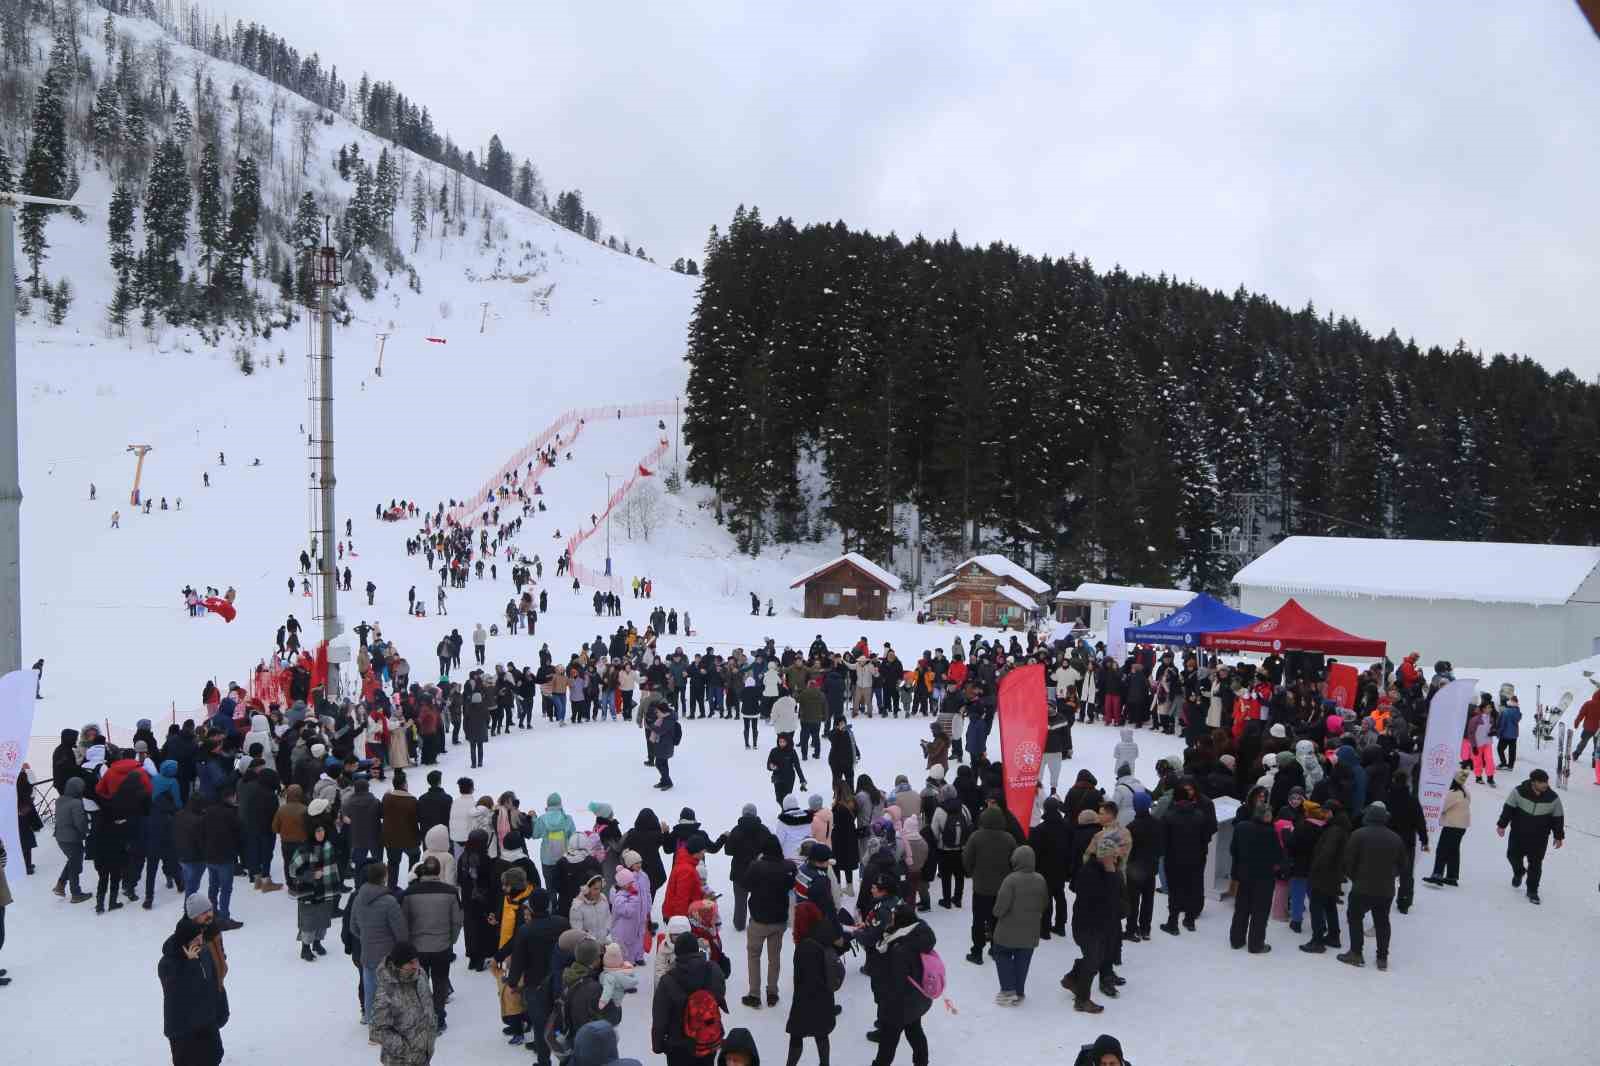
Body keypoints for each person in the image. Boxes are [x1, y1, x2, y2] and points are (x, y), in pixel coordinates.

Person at [1338, 801, 1405, 970]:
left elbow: (1348, 861)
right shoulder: (1395, 838)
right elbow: (1403, 865)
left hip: (1362, 887)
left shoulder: (1358, 834)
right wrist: (1390, 875)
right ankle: (1382, 958)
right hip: (1386, 890)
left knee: (1354, 917)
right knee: (1382, 922)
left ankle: (1355, 953)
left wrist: (1355, 877)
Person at [868, 903, 936, 1066]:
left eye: (893, 917)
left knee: (888, 1042)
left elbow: (893, 982)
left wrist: (884, 1003)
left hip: (899, 1004)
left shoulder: (900, 948)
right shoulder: (917, 935)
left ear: (901, 922)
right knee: (914, 1030)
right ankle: (922, 1062)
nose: (890, 919)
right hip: (916, 998)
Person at [159, 916, 230, 1066]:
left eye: (200, 938)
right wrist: (191, 964)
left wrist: (220, 1006)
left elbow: (212, 982)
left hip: (205, 1022)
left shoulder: (202, 952)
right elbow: (178, 993)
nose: (200, 942)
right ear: (185, 941)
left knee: (215, 1056)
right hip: (183, 1029)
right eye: (196, 939)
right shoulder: (168, 964)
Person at [402, 857, 462, 1032]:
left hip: (417, 947)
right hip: (442, 946)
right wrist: (451, 939)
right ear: (438, 872)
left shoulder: (410, 893)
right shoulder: (450, 892)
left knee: (419, 983)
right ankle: (439, 1017)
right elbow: (457, 921)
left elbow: (404, 920)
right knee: (440, 982)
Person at [652, 931, 728, 1066]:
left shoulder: (667, 981)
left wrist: (658, 1045)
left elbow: (660, 1018)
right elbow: (719, 995)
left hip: (678, 1046)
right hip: (707, 1040)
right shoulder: (713, 970)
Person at [350, 860, 410, 1028]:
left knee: (370, 990)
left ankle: (373, 1021)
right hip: (388, 955)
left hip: (368, 953)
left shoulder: (358, 899)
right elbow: (401, 932)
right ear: (384, 877)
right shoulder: (389, 902)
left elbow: (353, 927)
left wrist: (367, 937)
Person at [786, 901, 844, 1066]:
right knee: (821, 1034)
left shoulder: (806, 946)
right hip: (825, 996)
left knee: (796, 1035)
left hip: (806, 999)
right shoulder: (823, 933)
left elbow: (803, 978)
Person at [1496, 767, 1565, 905]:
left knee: (1536, 864)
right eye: (1541, 782)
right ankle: (1519, 871)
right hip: (1518, 833)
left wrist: (1558, 837)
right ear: (1533, 782)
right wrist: (1502, 825)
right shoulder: (1518, 792)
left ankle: (1532, 890)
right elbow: (1508, 809)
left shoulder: (1553, 798)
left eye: (1546, 782)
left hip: (1539, 838)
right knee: (1512, 856)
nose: (1545, 785)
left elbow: (1558, 818)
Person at [991, 844, 1046, 1005]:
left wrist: (996, 912)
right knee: (1023, 960)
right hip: (1031, 931)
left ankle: (1008, 990)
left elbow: (1000, 908)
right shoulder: (1040, 879)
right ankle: (1019, 992)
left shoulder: (1011, 880)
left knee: (1002, 954)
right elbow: (1044, 903)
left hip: (1007, 931)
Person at [961, 805, 1016, 964]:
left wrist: (972, 873)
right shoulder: (1009, 838)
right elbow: (1015, 861)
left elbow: (967, 859)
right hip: (1002, 889)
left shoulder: (976, 837)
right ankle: (995, 948)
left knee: (978, 920)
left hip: (981, 888)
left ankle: (977, 952)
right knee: (997, 920)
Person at [370, 942, 438, 1065]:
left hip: (424, 1055)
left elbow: (427, 1003)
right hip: (402, 1060)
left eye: (416, 960)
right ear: (398, 965)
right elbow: (377, 1031)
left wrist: (432, 1028)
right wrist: (408, 1051)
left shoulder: (420, 975)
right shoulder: (386, 991)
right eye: (410, 963)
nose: (416, 966)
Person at [1423, 769, 1472, 887]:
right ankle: (1452, 876)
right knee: (1453, 850)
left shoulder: (1454, 793)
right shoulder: (1464, 790)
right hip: (1461, 826)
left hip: (1452, 825)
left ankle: (1437, 874)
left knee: (1442, 850)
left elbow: (1442, 807)